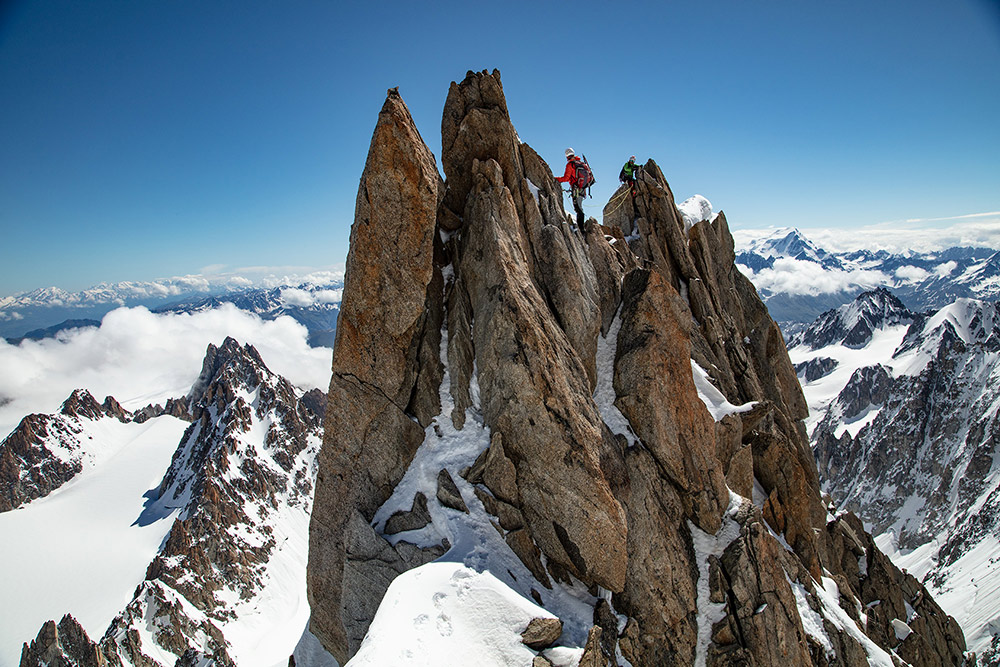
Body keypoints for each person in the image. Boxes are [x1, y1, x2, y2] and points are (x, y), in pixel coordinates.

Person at [554, 148, 586, 228]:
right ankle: (581, 227)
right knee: (579, 207)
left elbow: (566, 178)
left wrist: (555, 179)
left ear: (566, 156)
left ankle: (581, 229)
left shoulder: (570, 165)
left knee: (578, 208)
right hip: (583, 188)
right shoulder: (581, 163)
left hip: (576, 189)